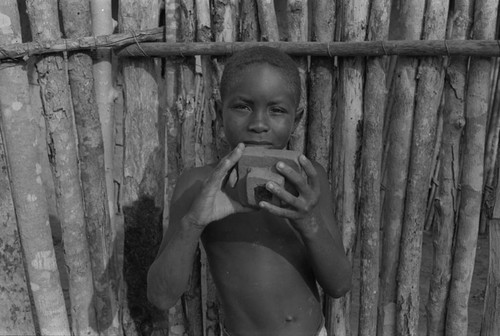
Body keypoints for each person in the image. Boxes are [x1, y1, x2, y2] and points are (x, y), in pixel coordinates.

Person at [147, 46, 352, 336]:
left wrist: (307, 221)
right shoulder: (200, 185)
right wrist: (193, 222)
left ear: (297, 119)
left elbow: (340, 284)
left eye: (277, 110)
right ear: (219, 112)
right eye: (242, 106)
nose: (258, 124)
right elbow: (160, 296)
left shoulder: (306, 180)